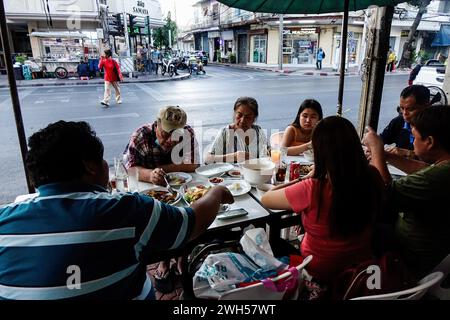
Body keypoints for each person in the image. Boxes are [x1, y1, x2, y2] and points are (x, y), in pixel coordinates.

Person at [0, 120, 233, 300]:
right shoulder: (127, 208)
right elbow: (192, 222)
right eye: (101, 160)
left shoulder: (4, 220)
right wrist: (217, 192)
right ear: (89, 166)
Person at [261, 116, 385, 284]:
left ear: (320, 152)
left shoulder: (313, 187)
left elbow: (266, 199)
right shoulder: (373, 176)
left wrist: (304, 179)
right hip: (361, 267)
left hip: (320, 271)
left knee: (274, 242)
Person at [363, 105, 450, 278]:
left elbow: (385, 192)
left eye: (415, 137)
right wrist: (388, 156)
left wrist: (376, 149)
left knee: (355, 231)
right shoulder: (443, 167)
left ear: (430, 142)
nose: (412, 142)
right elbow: (425, 170)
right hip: (433, 246)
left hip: (409, 255)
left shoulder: (439, 176)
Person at [123, 106, 200, 293]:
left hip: (181, 189)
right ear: (156, 124)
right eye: (166, 134)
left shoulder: (188, 133)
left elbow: (193, 164)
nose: (169, 141)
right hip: (151, 192)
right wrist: (150, 175)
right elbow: (129, 167)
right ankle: (164, 263)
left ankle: (182, 258)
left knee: (190, 216)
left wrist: (164, 170)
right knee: (161, 222)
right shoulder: (140, 135)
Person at [205, 97, 269, 163]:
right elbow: (207, 159)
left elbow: (267, 152)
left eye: (248, 117)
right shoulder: (225, 133)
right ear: (234, 113)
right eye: (239, 115)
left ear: (254, 119)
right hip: (231, 173)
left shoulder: (258, 130)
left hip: (254, 172)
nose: (242, 120)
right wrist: (234, 156)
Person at [380, 85, 430, 160]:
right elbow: (381, 140)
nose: (404, 113)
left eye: (410, 109)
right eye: (402, 108)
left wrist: (411, 154)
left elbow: (438, 162)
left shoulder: (435, 127)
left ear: (426, 107)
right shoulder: (398, 122)